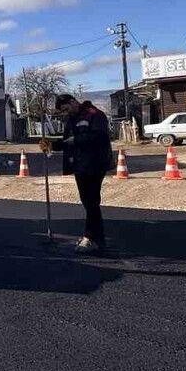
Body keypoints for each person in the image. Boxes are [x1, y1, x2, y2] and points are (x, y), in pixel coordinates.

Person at [53, 94, 113, 254]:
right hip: (80, 165)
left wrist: (76, 141)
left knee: (91, 201)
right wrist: (53, 145)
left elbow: (100, 137)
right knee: (88, 202)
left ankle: (91, 238)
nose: (65, 113)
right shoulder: (72, 119)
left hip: (95, 163)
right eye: (62, 111)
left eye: (66, 109)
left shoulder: (94, 115)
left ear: (73, 102)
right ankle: (96, 237)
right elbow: (68, 141)